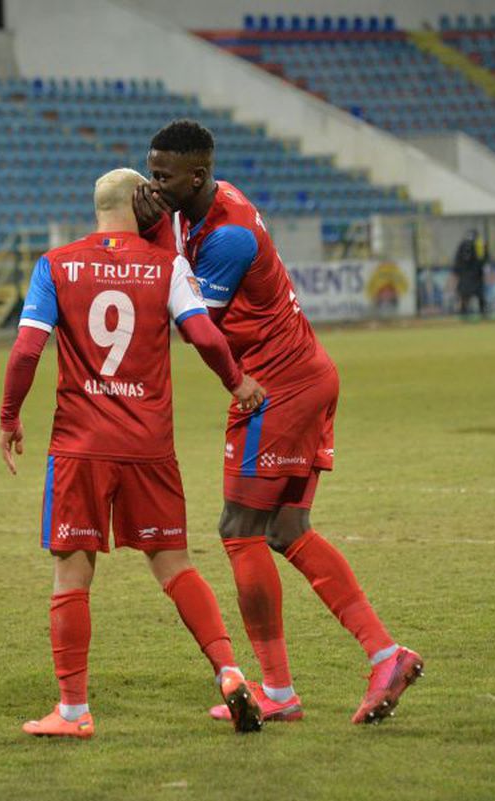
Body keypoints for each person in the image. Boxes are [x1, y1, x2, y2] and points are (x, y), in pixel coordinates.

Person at [134, 120, 422, 726]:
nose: (153, 183)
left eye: (163, 175)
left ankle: (279, 690)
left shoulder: (230, 237)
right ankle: (385, 654)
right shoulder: (202, 205)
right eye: (150, 170)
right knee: (288, 529)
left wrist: (147, 234)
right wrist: (159, 223)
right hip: (303, 375)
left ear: (198, 175)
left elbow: (196, 325)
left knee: (239, 529)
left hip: (277, 388)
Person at [0, 168, 268, 738]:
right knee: (174, 564)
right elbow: (203, 334)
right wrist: (237, 381)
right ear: (140, 203)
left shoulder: (55, 264)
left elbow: (27, 351)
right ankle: (228, 669)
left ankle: (72, 711)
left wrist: (9, 415)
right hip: (149, 446)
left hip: (81, 445)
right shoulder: (165, 265)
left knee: (72, 574)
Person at [453, 229, 488, 318]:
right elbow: (483, 260)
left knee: (466, 295)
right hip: (474, 275)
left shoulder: (466, 245)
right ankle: (482, 313)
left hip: (467, 275)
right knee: (475, 295)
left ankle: (464, 313)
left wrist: (457, 272)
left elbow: (457, 261)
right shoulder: (479, 244)